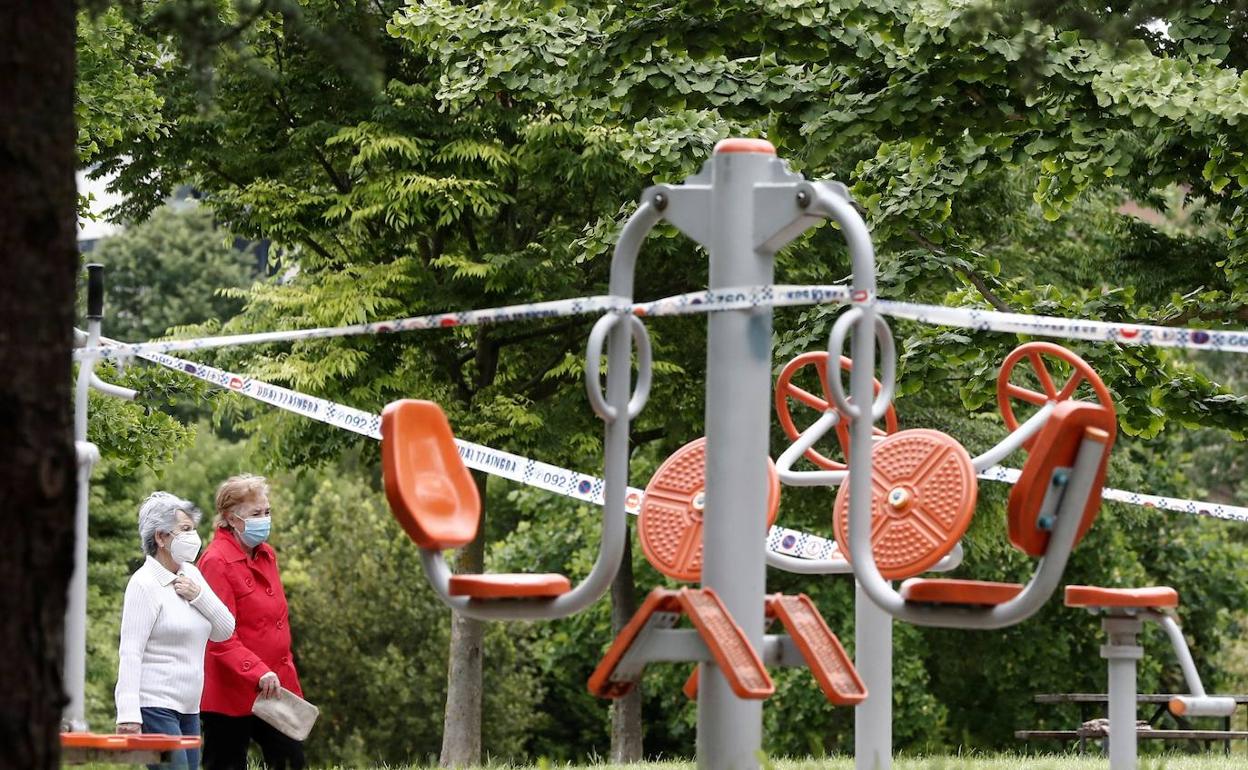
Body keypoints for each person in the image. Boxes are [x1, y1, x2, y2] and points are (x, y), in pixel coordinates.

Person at [115, 492, 235, 770]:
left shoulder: (191, 574)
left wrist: (198, 596)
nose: (194, 537)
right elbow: (130, 652)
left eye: (193, 529)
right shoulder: (144, 584)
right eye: (185, 530)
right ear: (161, 537)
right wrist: (128, 715)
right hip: (154, 705)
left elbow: (225, 629)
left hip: (189, 707)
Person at [198, 474, 305, 770]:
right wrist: (257, 671)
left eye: (267, 512)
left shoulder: (266, 555)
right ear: (231, 518)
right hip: (231, 690)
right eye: (256, 514)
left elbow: (275, 622)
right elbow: (219, 636)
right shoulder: (214, 562)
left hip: (276, 686)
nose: (265, 519)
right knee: (226, 764)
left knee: (291, 760)